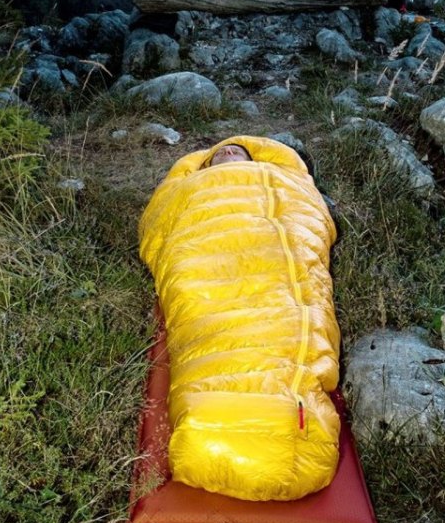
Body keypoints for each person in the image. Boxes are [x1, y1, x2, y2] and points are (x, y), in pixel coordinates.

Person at [138, 136, 341, 502]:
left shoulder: (283, 179)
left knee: (291, 310)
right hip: (207, 251)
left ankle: (288, 413)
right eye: (221, 154)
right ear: (204, 168)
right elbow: (159, 230)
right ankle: (207, 416)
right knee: (201, 307)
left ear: (257, 160)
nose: (229, 152)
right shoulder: (188, 188)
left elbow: (311, 220)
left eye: (237, 151)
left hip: (274, 254)